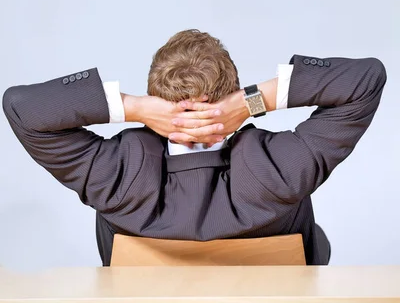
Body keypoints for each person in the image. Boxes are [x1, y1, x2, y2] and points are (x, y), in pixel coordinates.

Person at [2, 29, 387, 266]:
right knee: (316, 239)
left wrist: (134, 108)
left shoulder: (116, 175)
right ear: (231, 96)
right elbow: (366, 78)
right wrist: (253, 102)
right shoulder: (279, 170)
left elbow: (21, 106)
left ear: (158, 104)